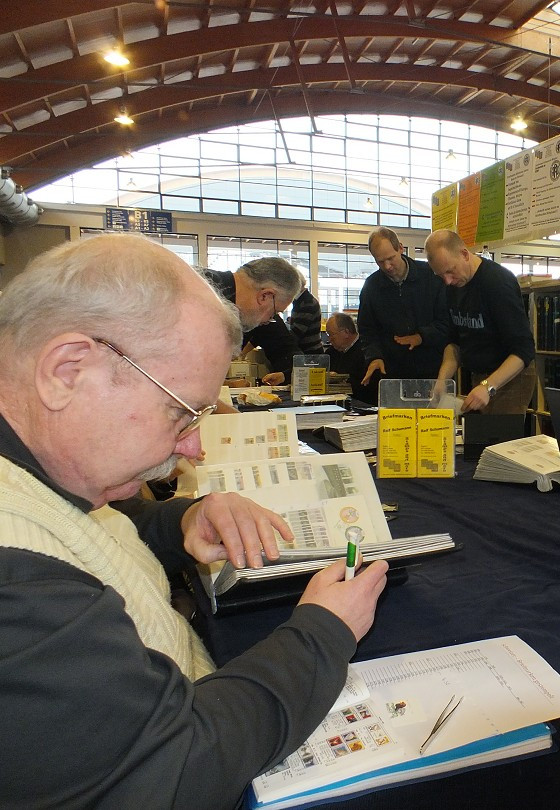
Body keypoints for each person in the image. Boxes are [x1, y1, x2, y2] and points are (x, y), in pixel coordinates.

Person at [0, 233, 389, 808]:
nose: (195, 446)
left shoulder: (34, 468)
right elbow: (173, 769)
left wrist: (181, 522)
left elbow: (92, 525)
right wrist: (322, 633)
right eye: (181, 410)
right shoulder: (18, 591)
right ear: (67, 370)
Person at [426, 229, 536, 414]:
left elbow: (523, 351)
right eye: (440, 275)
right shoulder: (453, 285)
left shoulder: (497, 283)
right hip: (480, 376)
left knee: (499, 440)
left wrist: (488, 387)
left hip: (509, 378)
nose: (447, 281)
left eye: (450, 271)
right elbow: (454, 342)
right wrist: (442, 381)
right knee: (477, 438)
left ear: (464, 254)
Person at [356, 227, 449, 389]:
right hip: (392, 374)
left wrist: (422, 336)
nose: (387, 266)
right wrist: (374, 357)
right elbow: (367, 330)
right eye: (380, 261)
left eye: (391, 258)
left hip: (433, 371)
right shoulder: (371, 287)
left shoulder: (432, 276)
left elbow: (447, 321)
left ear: (400, 248)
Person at [202, 257, 303, 384]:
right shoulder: (195, 290)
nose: (270, 320)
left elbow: (287, 351)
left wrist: (285, 375)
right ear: (264, 296)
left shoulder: (257, 313)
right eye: (274, 312)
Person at [326, 312, 373, 403]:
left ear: (346, 332)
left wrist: (340, 379)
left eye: (331, 334)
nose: (329, 339)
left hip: (361, 403)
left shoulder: (366, 352)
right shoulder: (331, 352)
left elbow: (366, 387)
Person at [289, 282, 325, 355]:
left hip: (310, 353)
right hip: (310, 351)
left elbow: (297, 331)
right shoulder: (301, 300)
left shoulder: (307, 302)